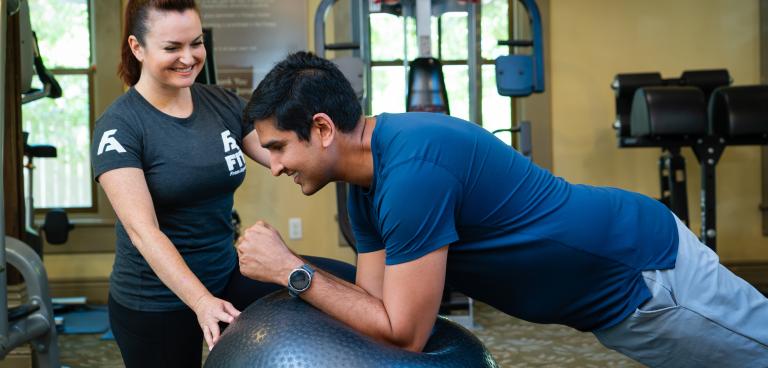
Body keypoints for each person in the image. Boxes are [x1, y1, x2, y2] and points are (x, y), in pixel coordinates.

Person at [236, 51, 768, 368]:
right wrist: (298, 273)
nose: (276, 167)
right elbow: (375, 310)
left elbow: (404, 333)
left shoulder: (414, 173)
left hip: (647, 276)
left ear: (323, 129)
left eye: (280, 148)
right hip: (613, 303)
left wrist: (293, 270)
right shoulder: (364, 186)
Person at [91, 4, 354, 367]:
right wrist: (200, 301)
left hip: (225, 273)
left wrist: (359, 161)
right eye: (172, 48)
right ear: (137, 47)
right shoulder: (120, 126)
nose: (188, 58)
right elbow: (143, 232)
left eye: (196, 43)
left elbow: (285, 154)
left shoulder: (221, 103)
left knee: (344, 283)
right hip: (156, 301)